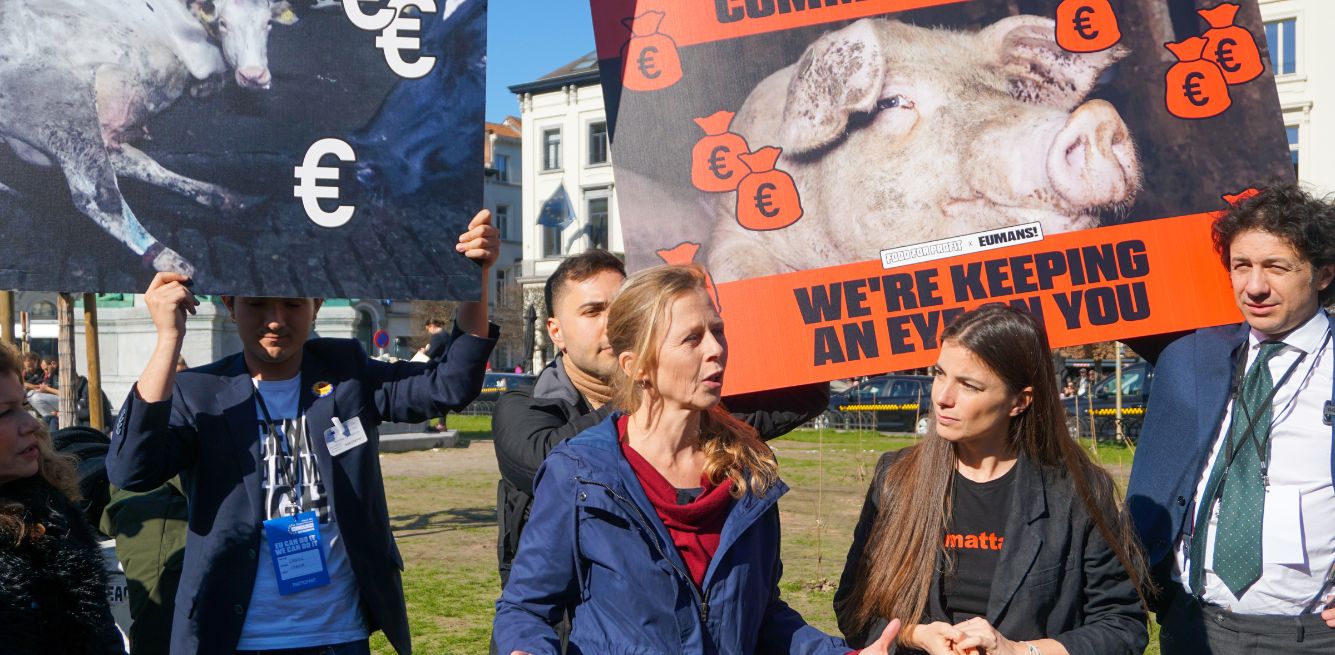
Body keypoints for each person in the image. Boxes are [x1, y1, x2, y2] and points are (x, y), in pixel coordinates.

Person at [106, 210, 501, 655]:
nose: (276, 320)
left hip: (337, 635)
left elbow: (449, 385)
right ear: (230, 306)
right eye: (257, 303)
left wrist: (475, 278)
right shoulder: (198, 392)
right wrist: (167, 340)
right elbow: (130, 469)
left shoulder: (348, 375)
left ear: (316, 306)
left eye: (292, 303)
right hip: (232, 637)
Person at [493, 263, 899, 655]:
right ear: (638, 367)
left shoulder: (749, 473)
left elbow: (763, 617)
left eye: (717, 331)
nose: (716, 350)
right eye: (692, 338)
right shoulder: (580, 473)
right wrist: (525, 648)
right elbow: (525, 607)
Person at [492, 250, 828, 592]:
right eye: (593, 311)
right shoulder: (523, 408)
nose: (612, 323)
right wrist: (649, 390)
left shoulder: (691, 405)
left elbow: (803, 396)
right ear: (556, 331)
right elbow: (550, 461)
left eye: (623, 306)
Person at [834, 304, 1148, 655]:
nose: (942, 397)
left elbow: (1122, 627)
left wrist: (1017, 650)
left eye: (968, 385)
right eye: (940, 374)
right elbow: (852, 610)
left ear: (1019, 401)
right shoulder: (896, 478)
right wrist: (914, 635)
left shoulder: (1075, 492)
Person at [1126, 184, 1335, 654]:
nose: (1254, 286)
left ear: (1322, 274)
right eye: (1242, 266)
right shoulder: (1192, 355)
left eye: (1277, 267)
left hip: (1313, 637)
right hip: (1194, 625)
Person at [0, 342, 126, 654]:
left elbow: (100, 634)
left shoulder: (52, 511)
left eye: (24, 407)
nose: (31, 425)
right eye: (4, 412)